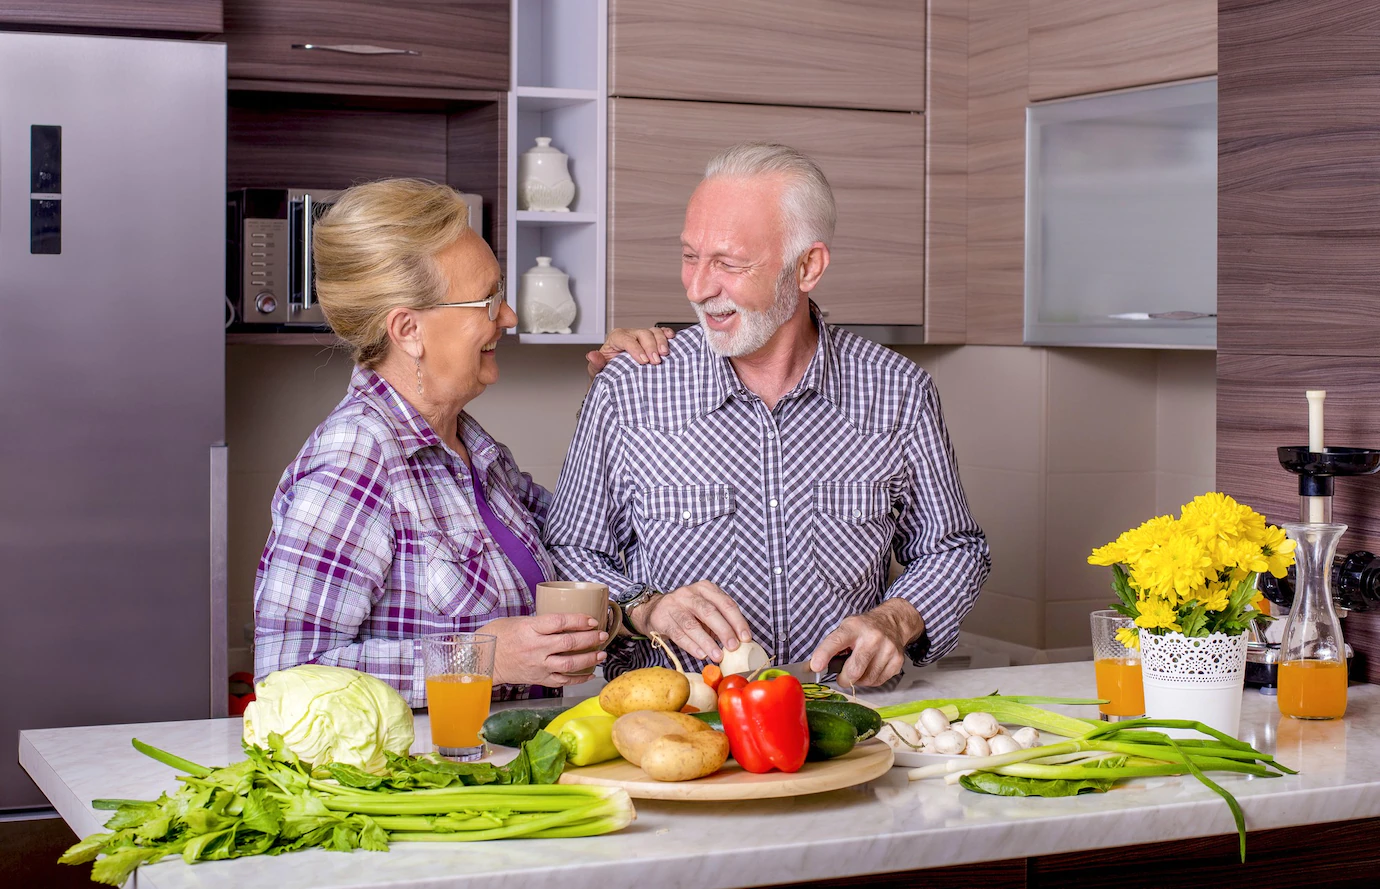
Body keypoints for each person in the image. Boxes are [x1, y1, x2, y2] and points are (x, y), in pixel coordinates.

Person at [545, 143, 990, 688]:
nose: (699, 287)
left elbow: (953, 548)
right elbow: (570, 550)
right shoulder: (628, 389)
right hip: (674, 729)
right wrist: (645, 605)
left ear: (807, 266)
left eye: (729, 264)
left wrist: (893, 621)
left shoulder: (898, 391)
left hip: (845, 719)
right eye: (690, 256)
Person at [253, 178, 673, 706]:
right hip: (426, 779)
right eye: (487, 301)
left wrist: (620, 399)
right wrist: (481, 657)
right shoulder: (356, 461)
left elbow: (583, 541)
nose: (509, 317)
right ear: (408, 329)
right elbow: (287, 677)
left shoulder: (475, 453)